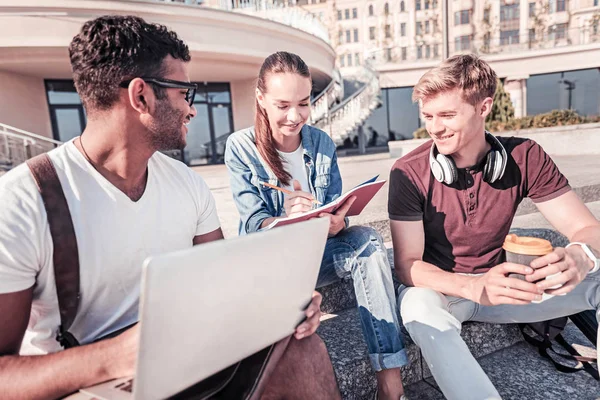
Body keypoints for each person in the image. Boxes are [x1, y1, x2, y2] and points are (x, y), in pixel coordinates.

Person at [0, 16, 340, 400]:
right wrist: (117, 357)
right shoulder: (24, 200)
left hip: (190, 356)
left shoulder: (187, 185)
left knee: (302, 348)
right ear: (141, 96)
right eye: (184, 93)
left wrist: (282, 301)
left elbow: (226, 281)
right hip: (88, 383)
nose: (192, 109)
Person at [389, 54, 600, 400]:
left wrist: (581, 256)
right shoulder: (409, 172)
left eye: (446, 115)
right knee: (417, 307)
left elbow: (588, 228)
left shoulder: (526, 156)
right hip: (444, 290)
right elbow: (407, 265)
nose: (434, 127)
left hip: (503, 288)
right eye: (428, 116)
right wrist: (471, 286)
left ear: (484, 107)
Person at [225, 51, 408, 400]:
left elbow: (338, 206)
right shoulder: (241, 148)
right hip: (271, 263)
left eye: (303, 103)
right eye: (282, 105)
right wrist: (285, 219)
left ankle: (390, 381)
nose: (295, 116)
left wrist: (339, 222)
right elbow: (251, 225)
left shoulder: (321, 143)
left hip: (317, 254)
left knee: (368, 242)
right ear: (261, 99)